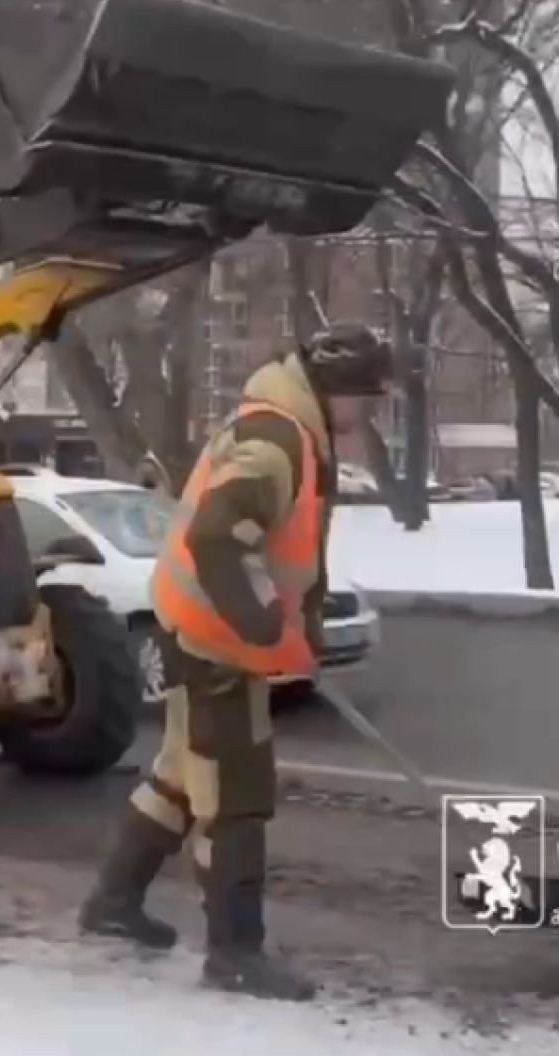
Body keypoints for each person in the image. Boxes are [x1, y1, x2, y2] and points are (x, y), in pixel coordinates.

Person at [76, 323, 394, 1002]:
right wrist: (259, 622)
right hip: (212, 637)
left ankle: (112, 903)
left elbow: (280, 544)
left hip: (198, 626)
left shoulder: (287, 428)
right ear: (335, 390)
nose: (366, 416)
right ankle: (233, 953)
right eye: (365, 401)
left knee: (181, 777)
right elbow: (217, 537)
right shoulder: (274, 440)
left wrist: (296, 627)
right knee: (235, 793)